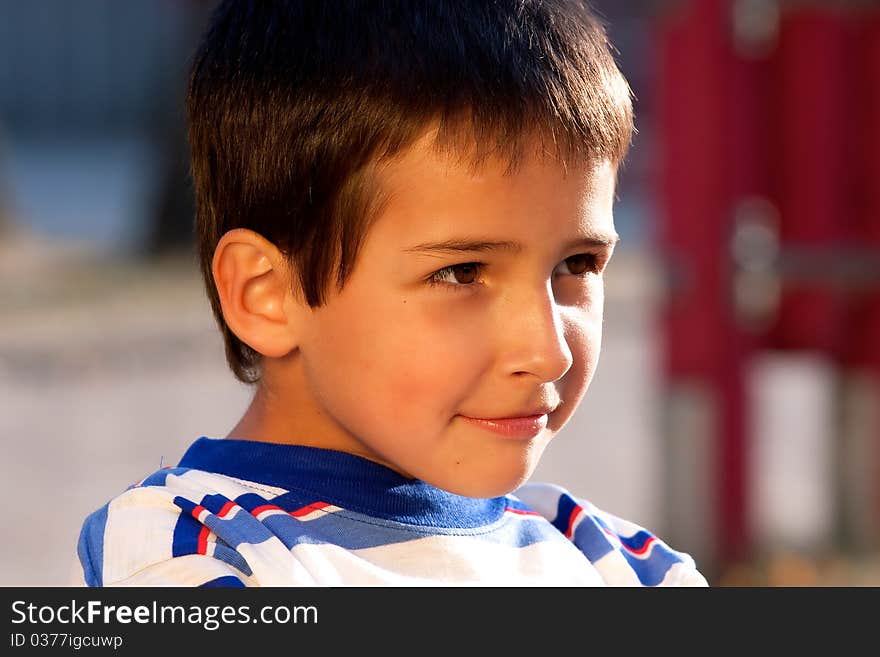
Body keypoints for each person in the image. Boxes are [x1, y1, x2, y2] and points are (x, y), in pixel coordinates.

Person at [73, 0, 708, 587]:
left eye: (577, 262)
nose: (548, 352)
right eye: (462, 273)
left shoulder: (616, 563)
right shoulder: (193, 549)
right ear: (267, 294)